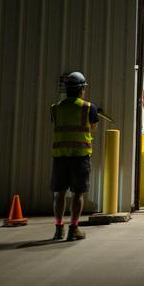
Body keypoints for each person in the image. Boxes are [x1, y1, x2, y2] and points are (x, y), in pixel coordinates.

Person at [50, 71, 102, 241]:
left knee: (59, 194)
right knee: (78, 194)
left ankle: (58, 229)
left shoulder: (56, 108)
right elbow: (92, 127)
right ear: (82, 89)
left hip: (60, 156)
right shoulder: (88, 108)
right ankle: (74, 228)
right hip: (80, 156)